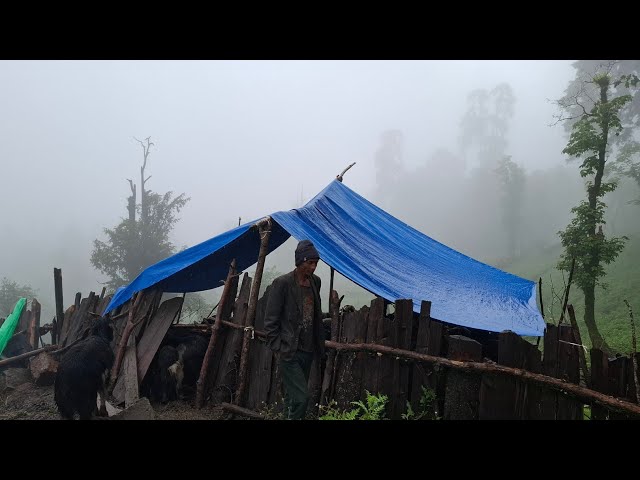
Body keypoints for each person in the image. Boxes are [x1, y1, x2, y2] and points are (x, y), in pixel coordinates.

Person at [264, 239, 325, 419]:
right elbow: (270, 321)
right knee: (302, 398)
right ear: (300, 262)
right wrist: (280, 348)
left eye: (316, 263)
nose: (313, 267)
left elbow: (314, 314)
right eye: (310, 263)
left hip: (308, 350)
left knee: (292, 397)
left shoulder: (316, 282)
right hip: (290, 351)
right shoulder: (282, 283)